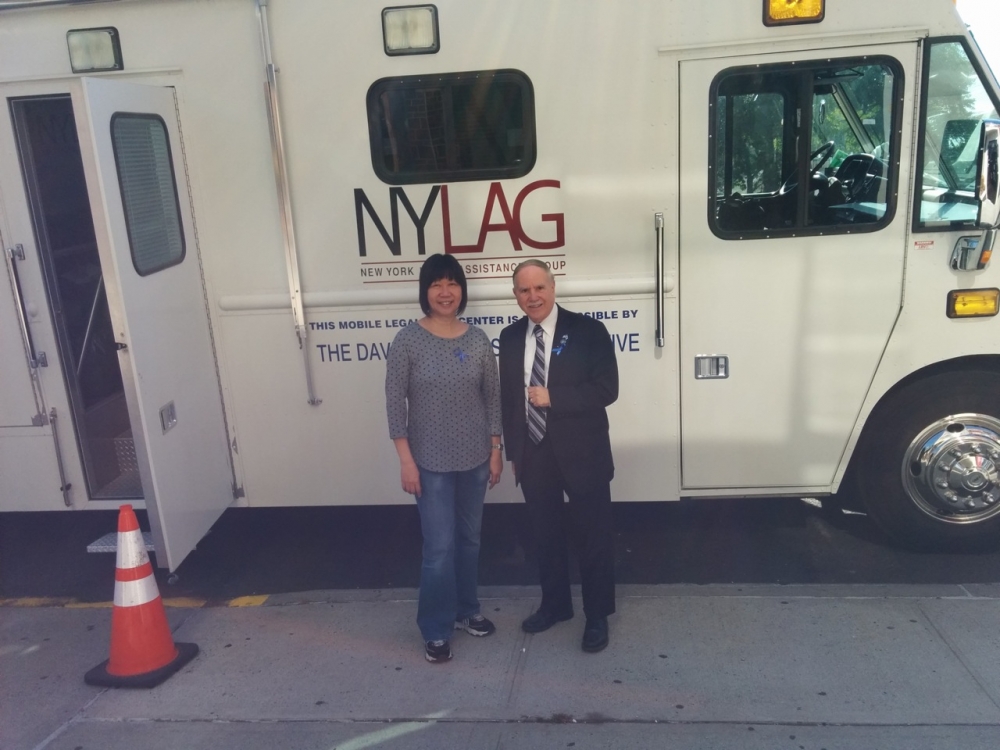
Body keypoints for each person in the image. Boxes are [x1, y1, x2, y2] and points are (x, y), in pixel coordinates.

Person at [385, 253, 503, 664]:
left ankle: (467, 611)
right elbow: (393, 403)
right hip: (428, 463)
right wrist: (405, 460)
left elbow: (492, 400)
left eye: (452, 283)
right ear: (426, 290)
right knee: (439, 548)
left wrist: (495, 450)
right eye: (437, 284)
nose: (445, 291)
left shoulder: (477, 340)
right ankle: (435, 629)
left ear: (461, 290)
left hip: (474, 459)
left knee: (469, 541)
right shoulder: (407, 340)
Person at [498, 259, 619, 653]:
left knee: (593, 536)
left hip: (583, 451)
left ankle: (596, 615)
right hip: (533, 453)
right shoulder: (511, 337)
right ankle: (556, 606)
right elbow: (509, 400)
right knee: (545, 535)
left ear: (553, 287)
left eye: (539, 288)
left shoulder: (588, 331)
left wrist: (554, 397)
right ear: (515, 295)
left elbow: (607, 389)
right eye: (523, 290)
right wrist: (514, 449)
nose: (532, 297)